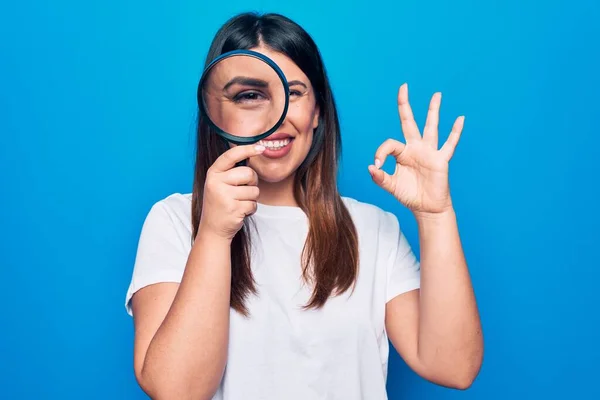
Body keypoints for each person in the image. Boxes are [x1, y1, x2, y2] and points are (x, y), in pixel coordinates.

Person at [124, 12, 483, 400]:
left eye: (293, 93)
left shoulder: (374, 230)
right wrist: (213, 234)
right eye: (249, 96)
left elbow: (454, 366)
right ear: (217, 113)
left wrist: (436, 215)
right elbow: (176, 391)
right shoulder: (175, 221)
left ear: (317, 112)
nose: (274, 118)